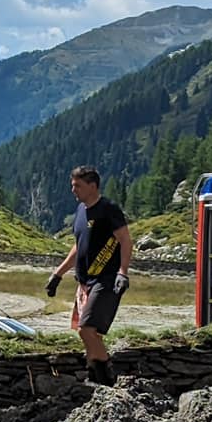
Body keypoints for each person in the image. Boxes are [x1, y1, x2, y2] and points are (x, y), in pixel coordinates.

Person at [47, 165, 131, 385]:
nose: (73, 190)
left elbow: (125, 240)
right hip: (84, 282)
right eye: (72, 185)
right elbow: (78, 246)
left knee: (87, 329)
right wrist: (58, 274)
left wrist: (123, 272)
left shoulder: (108, 209)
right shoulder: (81, 210)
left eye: (78, 186)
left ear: (92, 186)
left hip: (107, 279)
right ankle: (95, 377)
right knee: (86, 333)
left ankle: (106, 378)